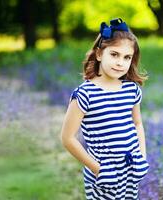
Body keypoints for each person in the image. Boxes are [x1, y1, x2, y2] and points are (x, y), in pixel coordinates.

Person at [60, 18, 149, 200]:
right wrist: (97, 169)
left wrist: (142, 156)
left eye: (127, 57)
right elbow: (67, 138)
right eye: (114, 54)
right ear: (100, 54)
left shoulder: (131, 90)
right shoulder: (85, 94)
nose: (120, 63)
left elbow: (137, 124)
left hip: (130, 169)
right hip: (104, 173)